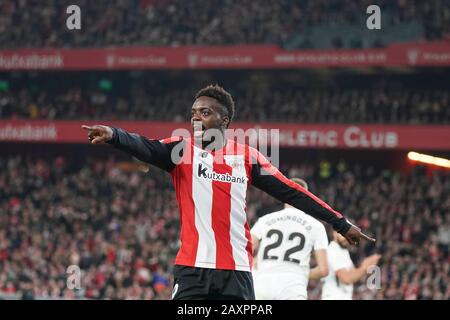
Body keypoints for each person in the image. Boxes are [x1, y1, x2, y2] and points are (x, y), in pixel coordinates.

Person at [82, 84, 374, 300]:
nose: (196, 118)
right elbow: (146, 147)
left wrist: (340, 222)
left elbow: (292, 192)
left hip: (236, 273)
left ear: (224, 121)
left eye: (205, 113)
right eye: (193, 113)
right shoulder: (180, 149)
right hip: (192, 269)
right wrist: (114, 135)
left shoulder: (246, 157)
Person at [251, 178, 330, 300]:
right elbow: (324, 270)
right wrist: (299, 272)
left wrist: (261, 262)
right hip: (293, 286)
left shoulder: (266, 220)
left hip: (263, 283)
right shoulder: (316, 226)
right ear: (306, 198)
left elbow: (246, 248)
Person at [321, 231, 381, 300]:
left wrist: (366, 266)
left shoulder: (343, 251)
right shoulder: (333, 250)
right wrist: (364, 267)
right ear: (335, 233)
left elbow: (353, 275)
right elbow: (346, 278)